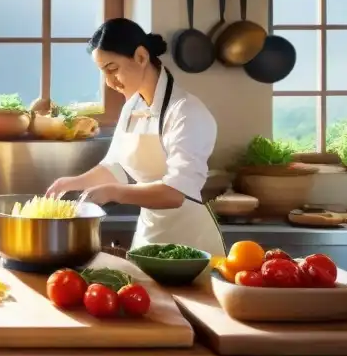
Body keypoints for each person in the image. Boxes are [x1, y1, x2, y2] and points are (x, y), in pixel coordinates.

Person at [46, 18, 226, 258]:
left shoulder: (186, 112)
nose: (109, 82)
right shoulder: (132, 107)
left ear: (141, 57)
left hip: (191, 245)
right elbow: (115, 167)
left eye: (112, 69)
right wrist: (72, 182)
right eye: (103, 73)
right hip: (148, 236)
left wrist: (115, 193)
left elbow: (175, 193)